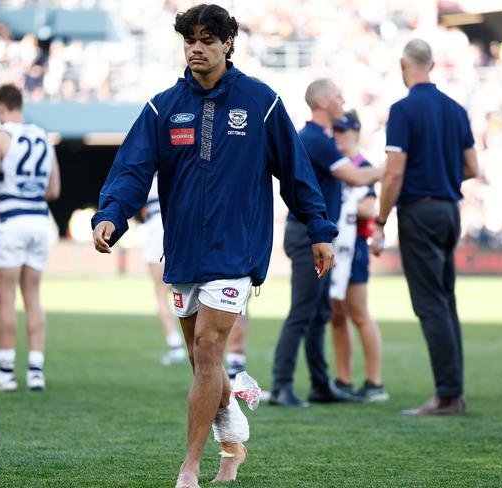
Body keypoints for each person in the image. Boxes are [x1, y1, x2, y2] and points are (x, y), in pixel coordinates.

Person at [91, 5, 337, 487]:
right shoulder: (162, 107)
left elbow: (296, 172)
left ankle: (189, 467)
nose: (197, 48)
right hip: (182, 251)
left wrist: (319, 230)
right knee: (202, 359)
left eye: (207, 39)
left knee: (207, 348)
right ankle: (232, 436)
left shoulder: (262, 103)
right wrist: (110, 215)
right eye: (190, 41)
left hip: (236, 252)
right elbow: (132, 170)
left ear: (228, 43)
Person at [372, 39, 479, 416]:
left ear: (404, 64)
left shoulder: (403, 110)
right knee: (446, 302)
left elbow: (394, 173)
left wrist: (381, 220)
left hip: (419, 210)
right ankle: (455, 393)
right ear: (432, 63)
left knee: (431, 304)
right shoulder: (456, 109)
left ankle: (448, 396)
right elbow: (472, 169)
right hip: (450, 210)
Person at [269, 79, 383, 407]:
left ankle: (320, 384)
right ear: (321, 103)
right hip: (308, 236)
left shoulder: (320, 138)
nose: (342, 102)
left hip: (317, 237)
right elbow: (357, 177)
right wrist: (394, 167)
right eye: (338, 96)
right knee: (303, 311)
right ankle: (281, 386)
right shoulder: (315, 140)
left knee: (318, 312)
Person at [0, 84, 61, 393]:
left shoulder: (1, 136)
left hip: (12, 221)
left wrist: (1, 188)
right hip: (40, 221)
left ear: (0, 108)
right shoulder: (43, 135)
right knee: (34, 297)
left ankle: (6, 371)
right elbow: (53, 191)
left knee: (5, 298)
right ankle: (36, 371)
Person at [330, 111, 388, 401]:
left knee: (359, 314)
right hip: (335, 247)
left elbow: (369, 207)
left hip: (354, 249)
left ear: (355, 131)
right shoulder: (336, 163)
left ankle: (375, 381)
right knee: (337, 315)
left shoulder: (362, 165)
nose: (337, 135)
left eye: (342, 129)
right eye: (335, 129)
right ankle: (343, 378)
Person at [142, 174, 186, 365]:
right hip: (182, 228)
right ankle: (200, 342)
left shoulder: (148, 170)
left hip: (157, 228)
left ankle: (175, 345)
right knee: (190, 289)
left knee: (161, 293)